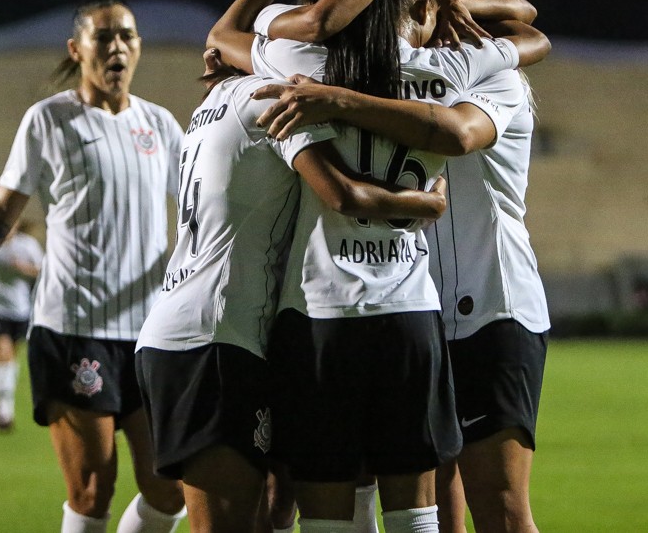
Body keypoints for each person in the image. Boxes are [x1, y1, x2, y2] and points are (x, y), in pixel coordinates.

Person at [254, 0, 551, 533]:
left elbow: (457, 133)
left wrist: (335, 99)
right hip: (420, 310)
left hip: (490, 307)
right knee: (435, 509)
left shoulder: (491, 74)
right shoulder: (394, 63)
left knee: (502, 508)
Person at [0, 0, 189, 533]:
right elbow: (0, 215)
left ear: (139, 47)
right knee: (91, 490)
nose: (117, 47)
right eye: (103, 37)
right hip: (75, 330)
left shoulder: (161, 126)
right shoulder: (50, 121)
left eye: (127, 35)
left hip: (152, 335)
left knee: (169, 488)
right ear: (76, 48)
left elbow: (200, 218)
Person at [135, 49, 447, 532]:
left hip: (206, 332)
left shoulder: (209, 107)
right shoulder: (269, 100)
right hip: (214, 339)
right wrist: (427, 202)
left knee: (275, 509)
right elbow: (341, 193)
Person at [0, 219, 44, 430]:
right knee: (3, 356)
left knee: (11, 360)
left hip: (20, 309)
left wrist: (22, 268)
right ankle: (5, 411)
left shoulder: (28, 245)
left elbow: (42, 270)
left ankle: (3, 401)